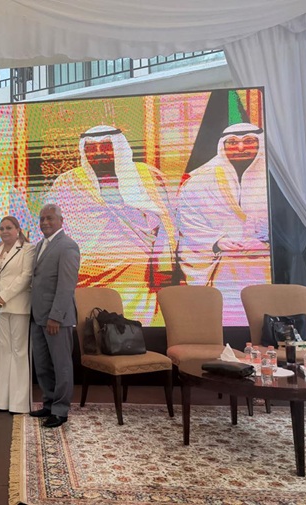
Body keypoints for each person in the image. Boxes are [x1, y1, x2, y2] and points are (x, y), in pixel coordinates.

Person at [44, 125, 176, 325]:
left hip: (136, 276)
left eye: (106, 147)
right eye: (91, 148)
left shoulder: (147, 176)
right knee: (90, 326)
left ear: (119, 147)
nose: (98, 153)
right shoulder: (68, 182)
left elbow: (167, 223)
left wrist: (164, 265)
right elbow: (53, 229)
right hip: (85, 274)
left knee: (132, 326)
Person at [177, 123, 270, 324]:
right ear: (222, 145)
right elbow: (188, 221)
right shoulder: (200, 180)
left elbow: (288, 224)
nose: (240, 148)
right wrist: (217, 241)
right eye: (232, 142)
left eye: (248, 141)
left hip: (267, 266)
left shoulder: (276, 179)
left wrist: (267, 243)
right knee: (226, 319)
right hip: (222, 267)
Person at [30, 204, 80, 428]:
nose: (45, 222)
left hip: (56, 319)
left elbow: (66, 285)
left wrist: (56, 316)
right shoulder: (40, 245)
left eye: (49, 218)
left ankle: (60, 411)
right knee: (43, 365)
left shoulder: (68, 246)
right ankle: (49, 404)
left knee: (61, 366)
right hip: (38, 317)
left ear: (61, 220)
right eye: (42, 219)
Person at [0, 216, 35, 414]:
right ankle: (2, 400)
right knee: (3, 351)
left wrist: (4, 296)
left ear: (18, 229)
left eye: (9, 228)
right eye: (2, 228)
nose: (5, 231)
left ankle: (19, 403)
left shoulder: (28, 249)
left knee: (19, 352)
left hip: (19, 306)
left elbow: (26, 276)